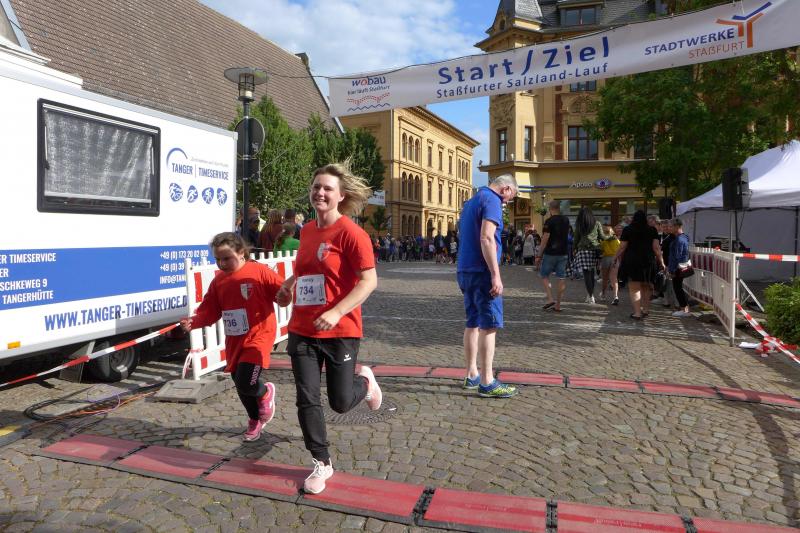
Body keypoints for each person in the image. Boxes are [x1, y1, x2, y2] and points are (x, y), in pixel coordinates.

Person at [275, 162, 381, 495]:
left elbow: (369, 281)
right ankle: (322, 462)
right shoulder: (306, 231)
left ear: (341, 195)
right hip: (303, 328)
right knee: (306, 398)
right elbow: (306, 271)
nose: (320, 193)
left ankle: (366, 382)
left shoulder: (352, 234)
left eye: (327, 189)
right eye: (316, 187)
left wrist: (336, 312)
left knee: (340, 402)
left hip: (340, 330)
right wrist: (288, 286)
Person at [180, 232, 281, 442]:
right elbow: (210, 311)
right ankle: (255, 419)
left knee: (246, 380)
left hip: (259, 335)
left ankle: (265, 392)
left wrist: (286, 295)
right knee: (239, 382)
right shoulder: (219, 281)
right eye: (217, 259)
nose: (222, 263)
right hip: (235, 339)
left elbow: (282, 294)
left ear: (241, 252)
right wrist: (194, 322)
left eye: (227, 258)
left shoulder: (259, 271)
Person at [457, 173, 519, 399]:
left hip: (465, 269)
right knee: (489, 325)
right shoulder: (492, 200)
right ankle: (487, 381)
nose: (507, 203)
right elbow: (487, 238)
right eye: (510, 198)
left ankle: (472, 374)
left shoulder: (471, 201)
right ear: (506, 189)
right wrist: (495, 274)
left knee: (472, 322)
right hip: (482, 271)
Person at [613, 210, 666, 320]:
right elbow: (656, 248)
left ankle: (637, 313)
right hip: (648, 261)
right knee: (646, 287)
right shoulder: (652, 230)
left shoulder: (627, 229)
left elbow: (622, 247)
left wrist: (614, 258)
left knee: (634, 288)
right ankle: (645, 310)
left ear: (634, 218)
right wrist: (661, 261)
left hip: (632, 261)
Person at [537, 200, 571, 312]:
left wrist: (539, 254)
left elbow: (545, 238)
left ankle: (550, 299)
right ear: (559, 208)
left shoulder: (549, 221)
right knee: (561, 277)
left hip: (551, 253)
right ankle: (558, 305)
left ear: (550, 209)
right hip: (563, 253)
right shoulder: (566, 220)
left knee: (544, 275)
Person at [573, 207, 604, 303]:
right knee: (592, 273)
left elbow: (576, 239)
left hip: (583, 250)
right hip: (594, 250)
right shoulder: (597, 223)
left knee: (586, 274)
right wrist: (611, 237)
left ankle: (590, 296)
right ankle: (590, 295)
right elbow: (602, 236)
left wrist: (574, 249)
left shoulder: (579, 224)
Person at [668, 218, 692, 317]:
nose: (669, 228)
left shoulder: (679, 239)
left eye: (671, 226)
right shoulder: (683, 237)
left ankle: (684, 310)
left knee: (678, 288)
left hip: (678, 267)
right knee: (678, 288)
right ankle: (685, 309)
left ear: (677, 226)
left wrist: (672, 270)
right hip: (679, 266)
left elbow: (678, 256)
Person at [599, 224, 620, 305]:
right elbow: (619, 249)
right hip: (615, 258)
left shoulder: (603, 240)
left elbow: (601, 250)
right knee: (614, 279)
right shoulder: (616, 240)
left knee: (605, 278)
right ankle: (615, 296)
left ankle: (603, 295)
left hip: (606, 259)